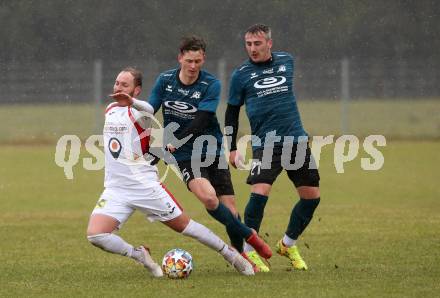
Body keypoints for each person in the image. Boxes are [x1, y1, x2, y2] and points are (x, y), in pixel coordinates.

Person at [86, 67, 254, 277]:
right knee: (96, 235)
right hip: (116, 188)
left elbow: (148, 108)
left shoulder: (140, 112)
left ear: (136, 90)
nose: (118, 88)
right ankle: (139, 255)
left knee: (186, 227)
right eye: (117, 83)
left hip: (144, 187)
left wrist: (132, 102)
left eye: (125, 85)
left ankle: (231, 254)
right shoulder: (110, 109)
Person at [147, 35, 272, 264]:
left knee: (231, 211)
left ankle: (240, 255)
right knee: (209, 198)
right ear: (180, 58)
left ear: (203, 59)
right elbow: (148, 111)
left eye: (198, 61)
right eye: (189, 61)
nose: (193, 66)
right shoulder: (165, 81)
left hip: (211, 149)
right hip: (184, 156)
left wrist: (176, 140)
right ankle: (249, 236)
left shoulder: (210, 84)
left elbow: (202, 119)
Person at [225, 24, 321, 272]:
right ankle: (249, 251)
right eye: (248, 44)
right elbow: (231, 113)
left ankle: (288, 244)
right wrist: (232, 147)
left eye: (257, 44)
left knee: (311, 198)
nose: (252, 49)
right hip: (266, 143)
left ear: (269, 43)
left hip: (296, 141)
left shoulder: (287, 62)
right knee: (260, 193)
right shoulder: (241, 75)